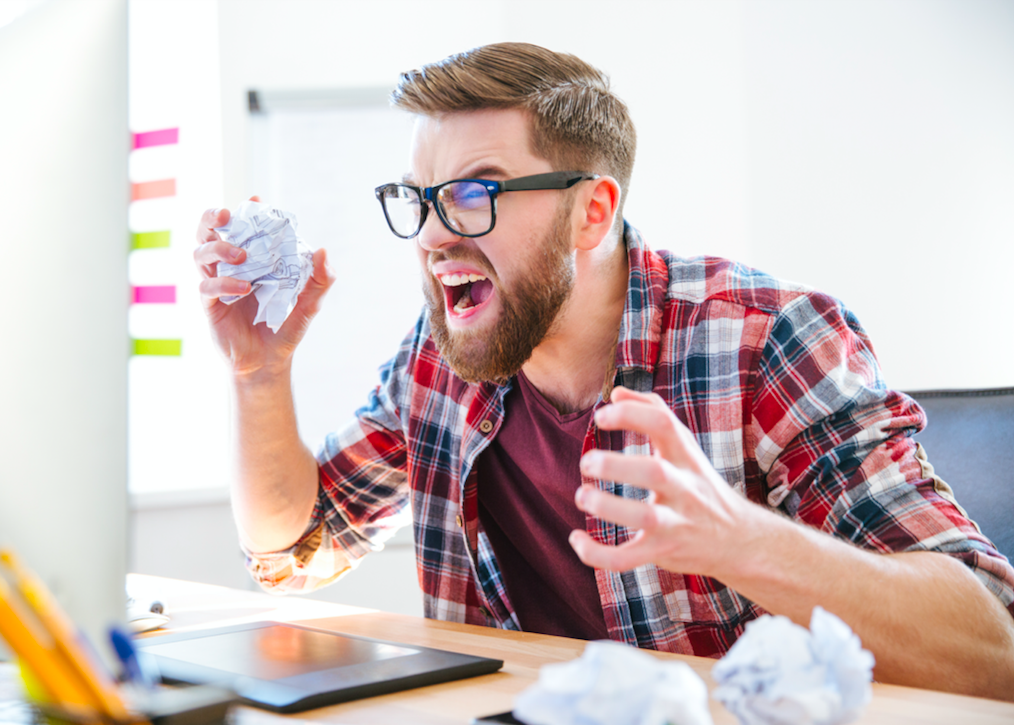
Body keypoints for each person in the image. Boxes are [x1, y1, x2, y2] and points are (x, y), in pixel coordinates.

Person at [194, 43, 1014, 699]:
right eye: (420, 198)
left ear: (591, 211)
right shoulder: (439, 360)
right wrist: (258, 375)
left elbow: (992, 652)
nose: (434, 235)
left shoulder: (766, 340)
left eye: (476, 192)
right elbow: (297, 549)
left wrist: (742, 541)